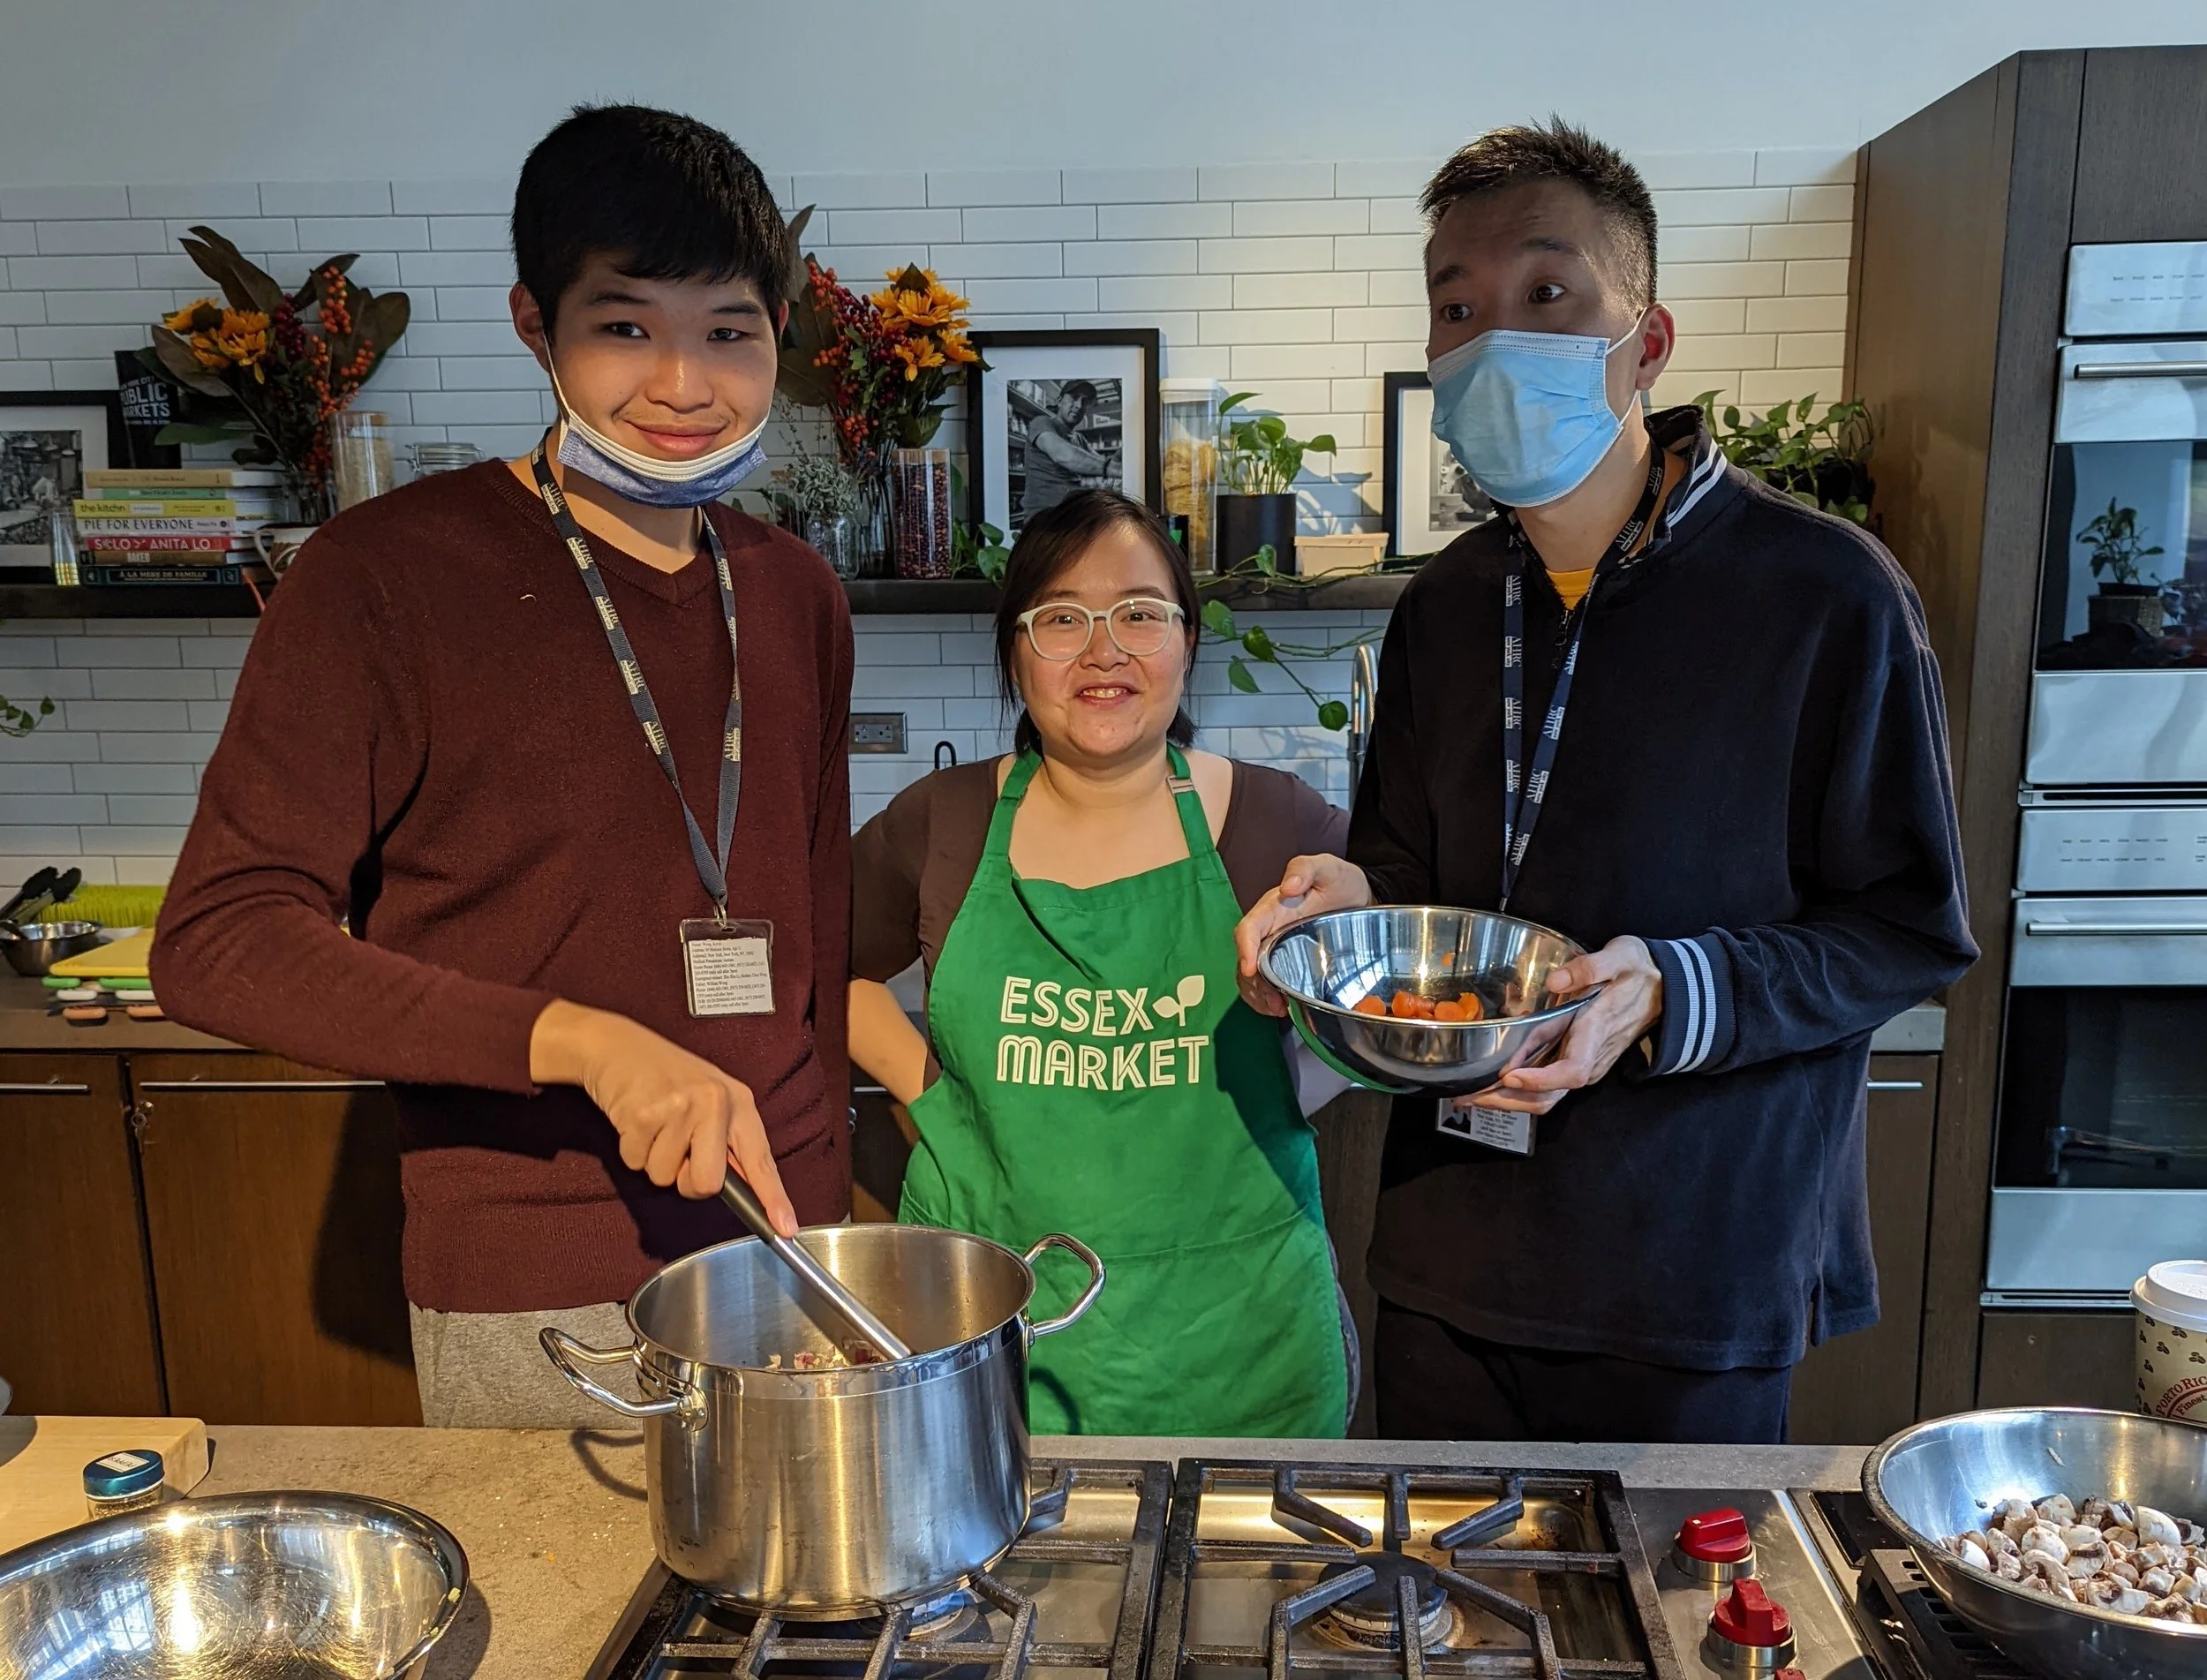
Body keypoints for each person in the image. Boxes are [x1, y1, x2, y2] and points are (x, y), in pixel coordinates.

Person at [1234, 121, 1977, 1445]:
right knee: (1432, 1631)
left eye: (1546, 292)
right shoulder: (1450, 604)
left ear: (1649, 337)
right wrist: (1339, 903)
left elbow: (1904, 929)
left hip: (1692, 1270)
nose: (1492, 337)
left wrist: (1667, 985)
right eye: (1456, 307)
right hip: (1451, 1258)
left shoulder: (1826, 594)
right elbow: (1409, 873)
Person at [150, 105, 855, 1427]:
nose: (685, 385)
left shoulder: (794, 588)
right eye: (626, 327)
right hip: (541, 1285)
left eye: (729, 332)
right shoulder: (380, 578)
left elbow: (816, 937)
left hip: (783, 1254)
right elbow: (219, 938)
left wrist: (821, 1223)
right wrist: (581, 1042)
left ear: (780, 336)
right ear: (536, 324)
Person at [847, 488, 1350, 1436]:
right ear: (1013, 651)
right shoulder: (942, 821)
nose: (1103, 649)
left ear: (1186, 642)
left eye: (1139, 613)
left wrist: (1289, 1082)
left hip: (1241, 1351)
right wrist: (928, 1094)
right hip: (995, 1347)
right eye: (1061, 618)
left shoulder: (1275, 824)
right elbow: (821, 968)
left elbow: (1389, 996)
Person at [1019, 381, 1110, 518]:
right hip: (1044, 521)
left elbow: (1099, 461)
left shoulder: (1079, 439)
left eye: (1085, 402)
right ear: (1059, 401)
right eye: (1074, 398)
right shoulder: (1041, 423)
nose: (1079, 406)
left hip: (1073, 516)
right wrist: (1113, 468)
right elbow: (1063, 455)